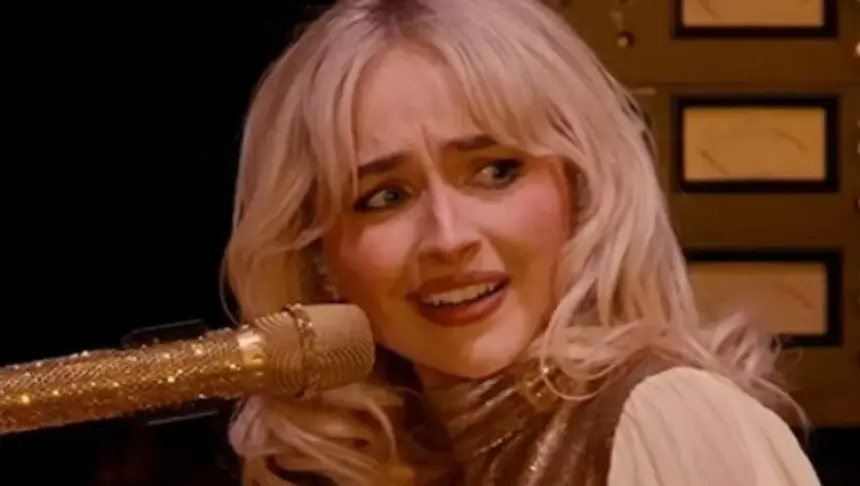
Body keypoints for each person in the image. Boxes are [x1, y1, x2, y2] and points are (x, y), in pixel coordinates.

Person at [223, 0, 822, 484]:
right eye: (385, 197)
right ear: (318, 257)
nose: (449, 238)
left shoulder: (667, 422)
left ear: (580, 190)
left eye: (496, 171)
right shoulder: (374, 465)